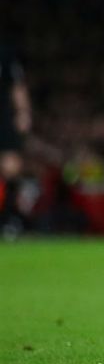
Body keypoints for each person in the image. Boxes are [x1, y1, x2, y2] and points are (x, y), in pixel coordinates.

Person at [0, 40, 32, 238]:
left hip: (2, 115)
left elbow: (17, 85)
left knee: (10, 167)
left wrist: (23, 112)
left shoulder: (4, 53)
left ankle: (9, 219)